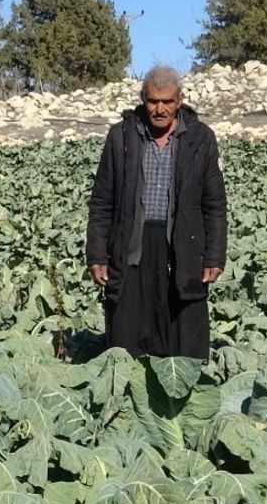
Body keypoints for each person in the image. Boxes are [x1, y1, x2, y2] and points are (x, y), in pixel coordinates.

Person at [85, 65, 227, 359]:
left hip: (182, 246)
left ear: (180, 100)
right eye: (153, 101)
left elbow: (214, 204)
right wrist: (97, 254)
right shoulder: (121, 136)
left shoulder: (200, 138)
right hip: (132, 244)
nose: (160, 109)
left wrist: (214, 255)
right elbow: (101, 201)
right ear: (143, 99)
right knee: (127, 330)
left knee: (182, 332)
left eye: (167, 102)